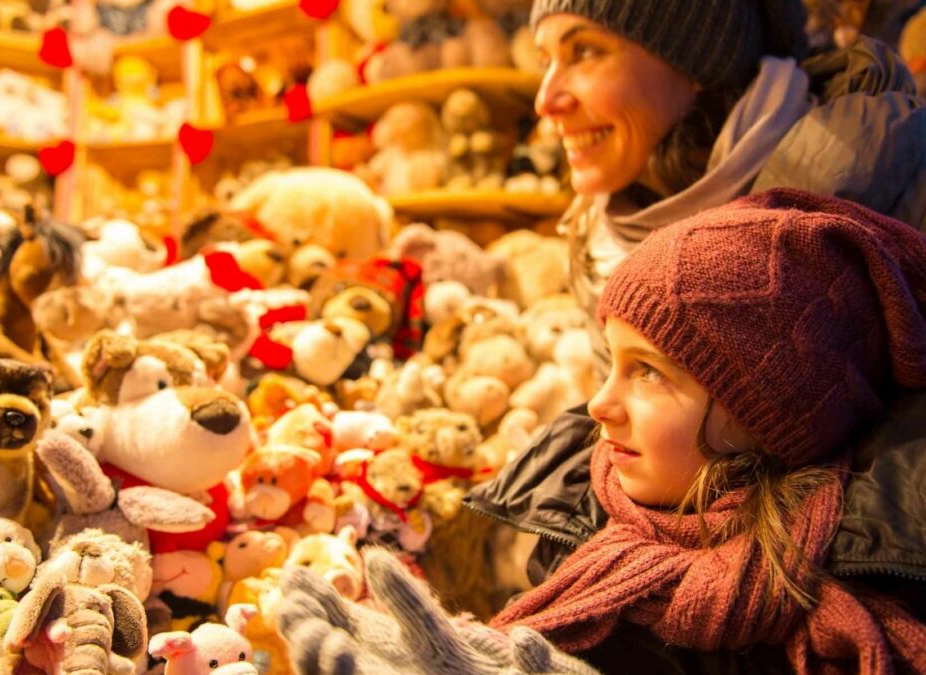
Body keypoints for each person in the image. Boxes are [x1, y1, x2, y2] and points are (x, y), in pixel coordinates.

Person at [276, 189, 926, 674]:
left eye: (647, 373)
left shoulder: (841, 622)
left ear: (763, 408)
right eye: (610, 363)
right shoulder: (583, 541)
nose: (598, 403)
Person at [526, 0, 925, 375]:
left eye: (584, 52)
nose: (545, 101)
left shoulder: (878, 191)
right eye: (545, 61)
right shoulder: (600, 235)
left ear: (696, 61)